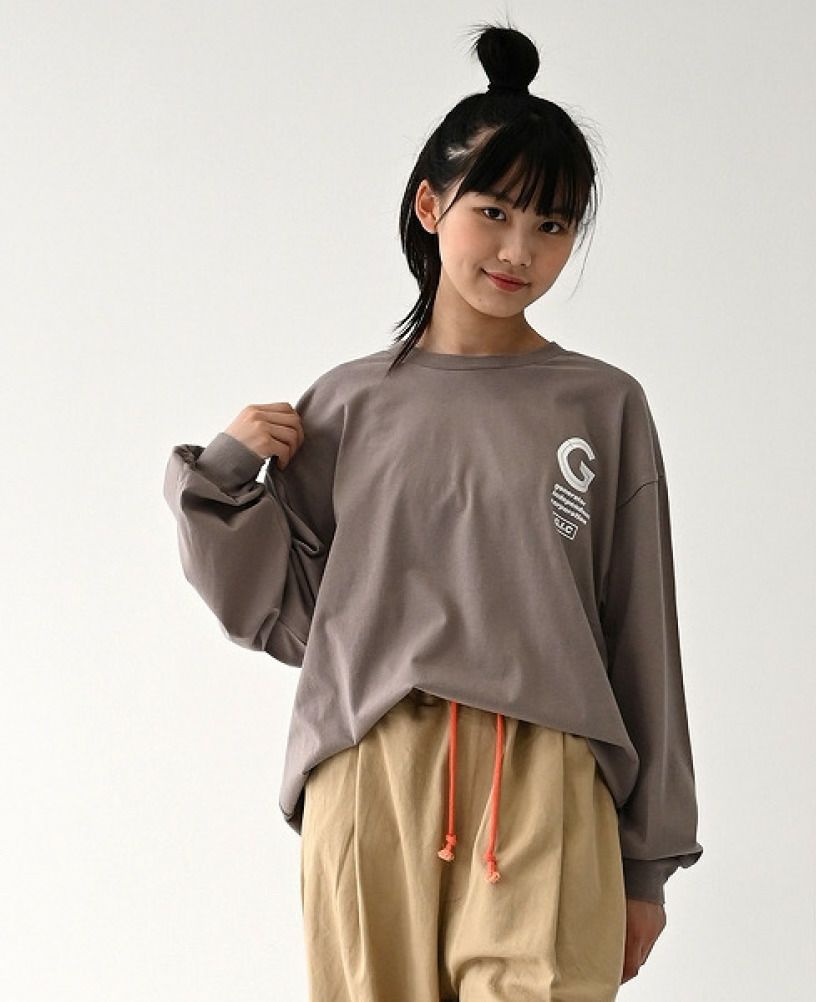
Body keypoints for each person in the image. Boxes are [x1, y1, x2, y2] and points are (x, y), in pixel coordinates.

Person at [163, 18, 703, 1001]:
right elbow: (293, 619)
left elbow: (641, 632)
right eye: (494, 212)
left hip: (549, 783)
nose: (519, 249)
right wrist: (225, 475)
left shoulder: (602, 407)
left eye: (552, 226)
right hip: (372, 776)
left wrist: (646, 864)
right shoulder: (347, 405)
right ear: (430, 205)